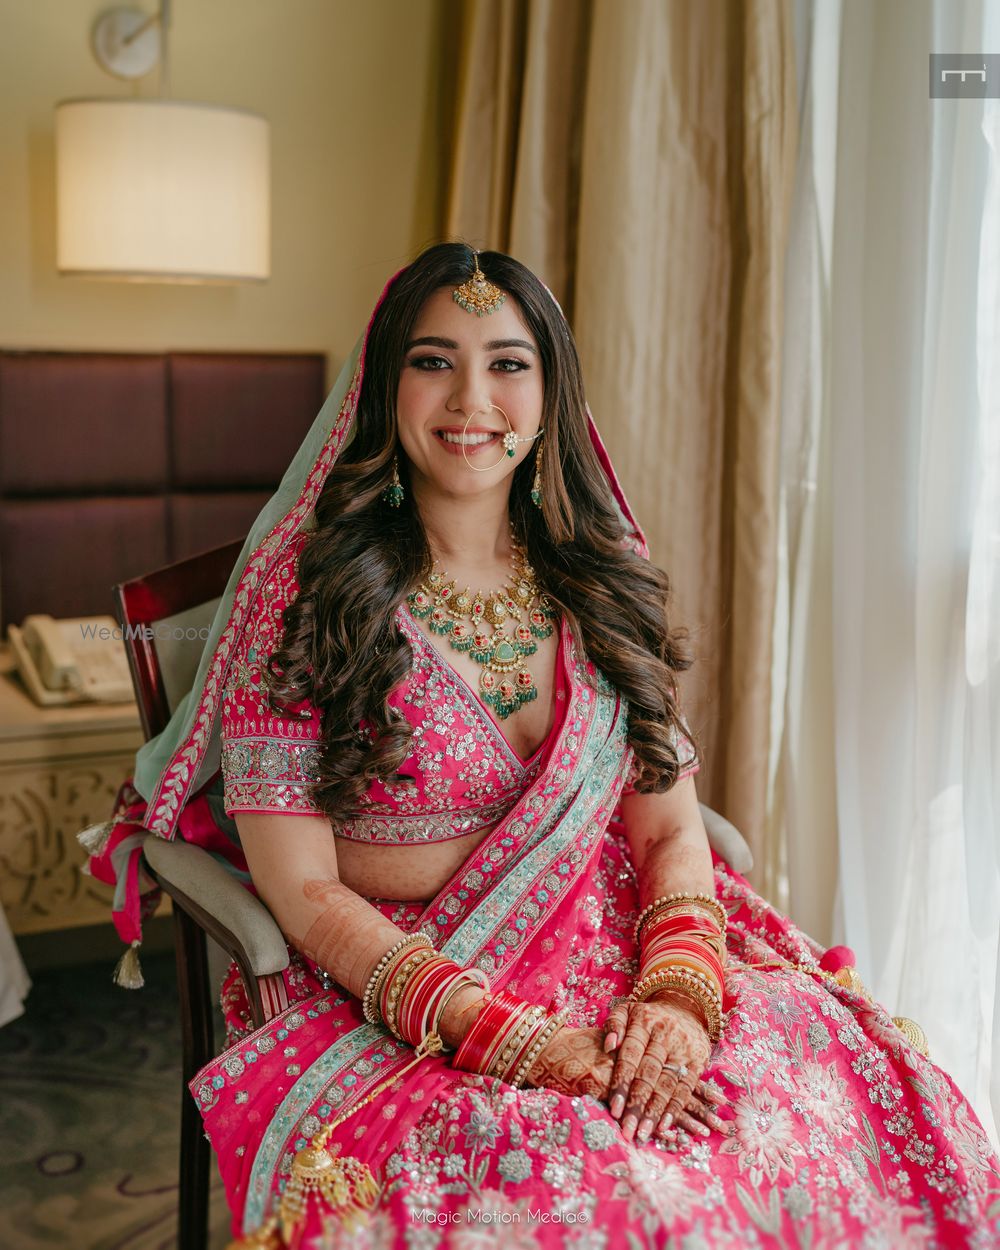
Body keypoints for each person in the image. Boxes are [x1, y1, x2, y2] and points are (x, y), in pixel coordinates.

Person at [89, 244, 1000, 1248]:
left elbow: (666, 826)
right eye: (433, 360)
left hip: (626, 942)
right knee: (604, 1197)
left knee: (831, 1095)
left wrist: (679, 996)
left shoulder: (601, 574)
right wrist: (512, 1038)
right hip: (398, 980)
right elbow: (302, 889)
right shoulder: (303, 597)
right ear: (383, 383)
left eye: (508, 362)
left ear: (551, 391)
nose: (472, 397)